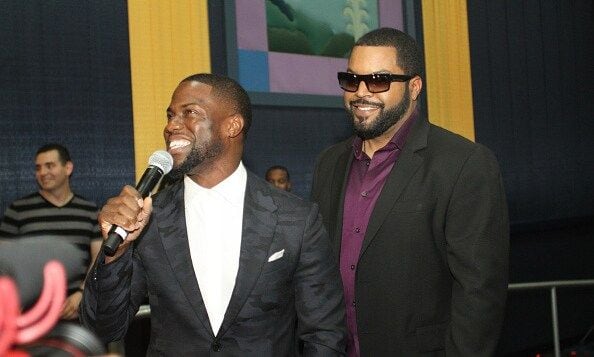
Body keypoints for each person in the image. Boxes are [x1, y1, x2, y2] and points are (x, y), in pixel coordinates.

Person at [80, 73, 347, 356]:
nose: (171, 126)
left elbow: (325, 333)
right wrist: (116, 254)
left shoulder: (296, 218)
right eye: (170, 115)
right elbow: (102, 328)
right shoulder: (148, 218)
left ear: (232, 125)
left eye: (190, 113)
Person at [311, 28, 509, 356]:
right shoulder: (329, 163)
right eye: (351, 80)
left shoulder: (464, 164)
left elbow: (479, 296)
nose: (361, 92)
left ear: (414, 87)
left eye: (378, 80)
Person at [0, 143, 102, 320]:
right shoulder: (17, 210)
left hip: (78, 311)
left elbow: (99, 258)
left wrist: (81, 294)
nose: (43, 173)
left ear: (68, 168)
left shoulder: (90, 210)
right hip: (29, 315)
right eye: (38, 168)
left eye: (50, 166)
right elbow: (4, 264)